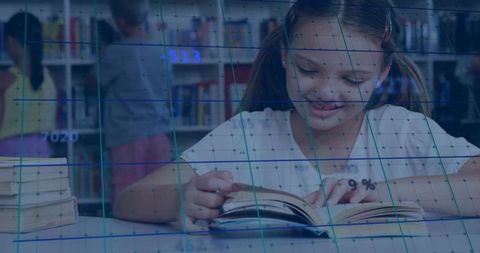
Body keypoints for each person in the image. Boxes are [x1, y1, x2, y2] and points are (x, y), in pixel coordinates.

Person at [113, 0, 480, 230]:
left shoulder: (402, 131)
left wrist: (376, 192)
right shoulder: (248, 134)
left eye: (353, 79)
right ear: (286, 56)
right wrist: (181, 200)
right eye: (307, 70)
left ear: (382, 75)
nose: (326, 92)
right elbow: (128, 198)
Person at [86, 0, 172, 201]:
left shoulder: (117, 51)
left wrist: (102, 54)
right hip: (160, 136)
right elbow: (168, 94)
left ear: (121, 21)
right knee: (160, 199)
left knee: (127, 200)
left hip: (127, 137)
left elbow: (91, 82)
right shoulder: (161, 51)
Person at [0, 12, 57, 157]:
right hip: (43, 151)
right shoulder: (51, 78)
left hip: (9, 154)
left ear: (10, 41)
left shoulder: (5, 80)